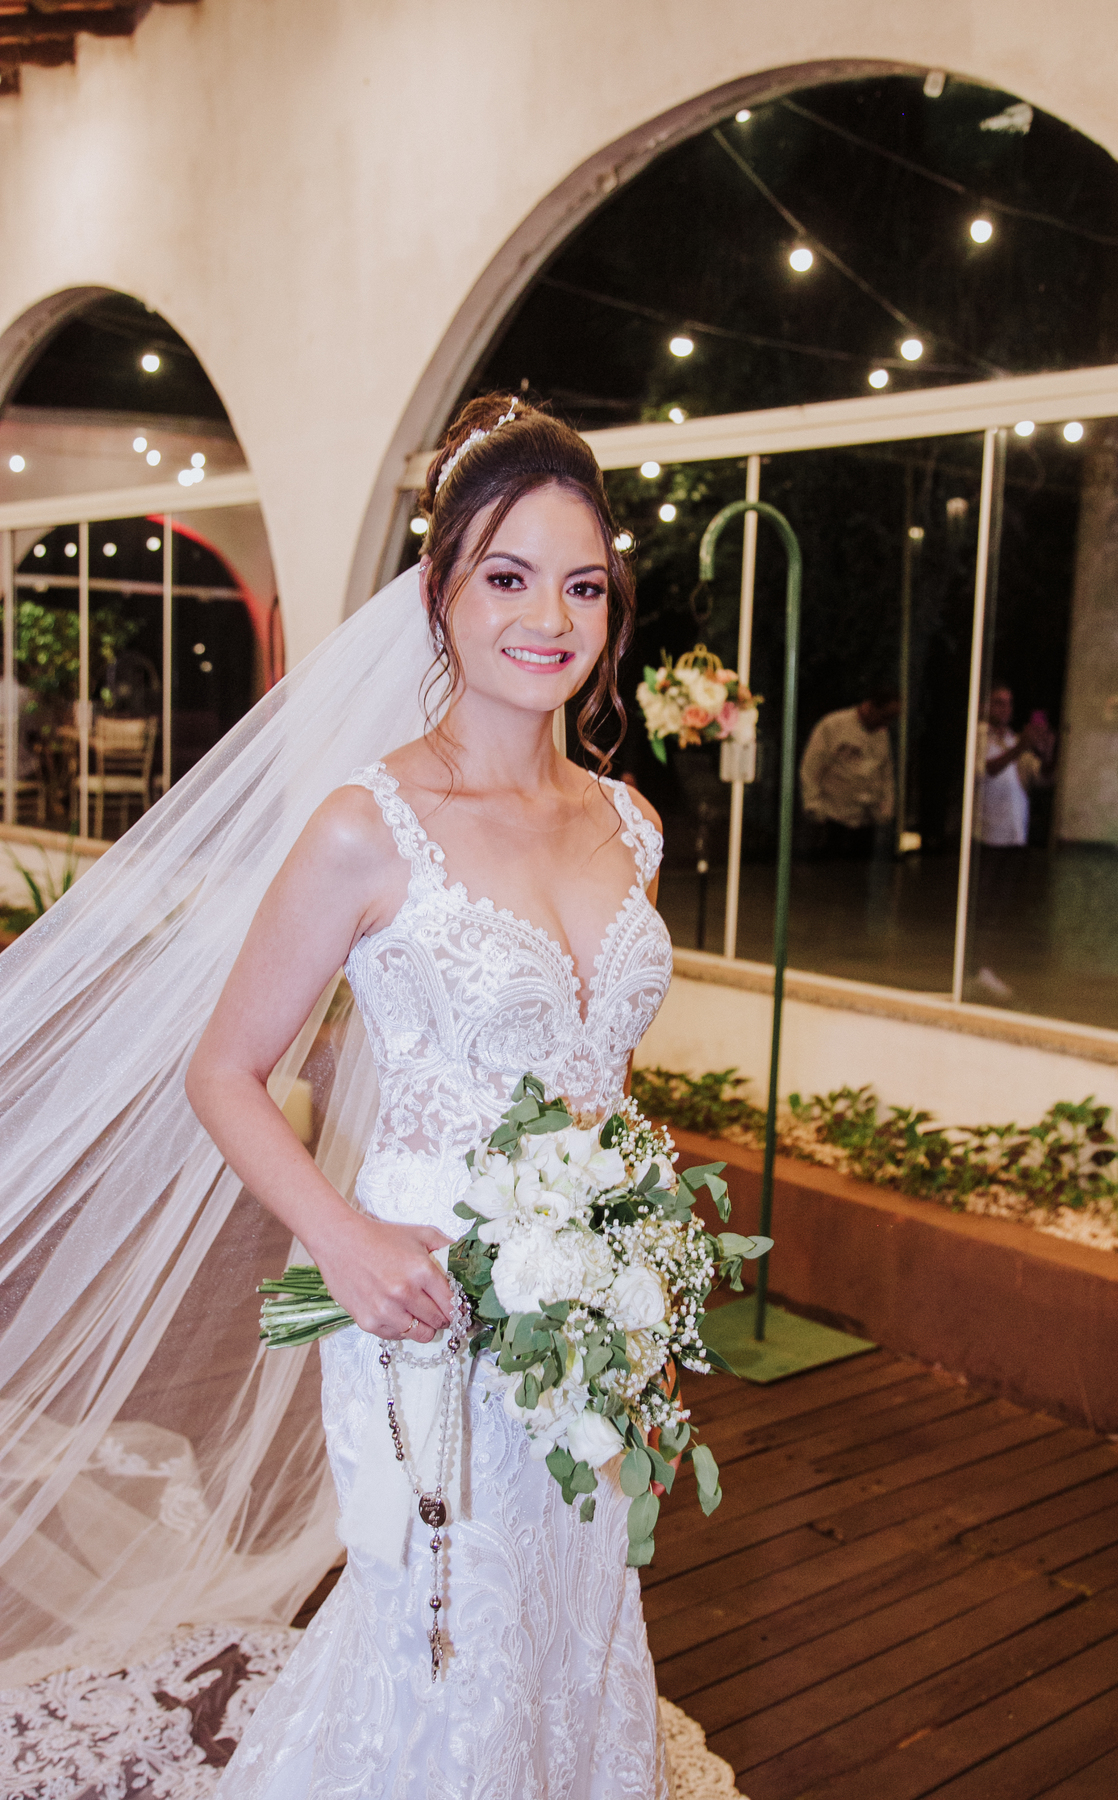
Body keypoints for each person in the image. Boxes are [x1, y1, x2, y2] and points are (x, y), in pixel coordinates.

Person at [0, 397, 674, 1797]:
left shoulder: (630, 824)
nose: (549, 616)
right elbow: (224, 1070)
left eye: (584, 585)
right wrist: (344, 1242)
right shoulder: (369, 828)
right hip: (415, 1302)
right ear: (440, 593)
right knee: (444, 1636)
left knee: (573, 1614)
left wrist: (641, 1271)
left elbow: (602, 1083)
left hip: (589, 1321)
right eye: (508, 576)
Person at [970, 684, 1055, 1000]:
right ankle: (976, 967)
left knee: (1000, 906)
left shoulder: (1011, 739)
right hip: (987, 833)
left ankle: (986, 967)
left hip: (1014, 833)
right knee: (983, 904)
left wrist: (1048, 753)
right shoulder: (980, 735)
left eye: (1008, 704)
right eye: (998, 703)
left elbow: (1040, 777)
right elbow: (987, 770)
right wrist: (1021, 747)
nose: (1004, 709)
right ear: (985, 706)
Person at [799, 690, 900, 857]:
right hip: (833, 817)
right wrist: (813, 804)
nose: (886, 723)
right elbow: (812, 767)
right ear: (870, 707)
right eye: (884, 716)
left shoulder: (881, 732)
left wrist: (886, 808)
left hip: (867, 818)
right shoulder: (833, 725)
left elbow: (885, 772)